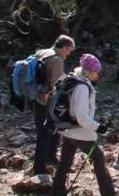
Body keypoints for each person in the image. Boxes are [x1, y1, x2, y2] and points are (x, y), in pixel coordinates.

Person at [51, 54, 114, 196]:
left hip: (67, 130)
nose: (98, 74)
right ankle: (108, 193)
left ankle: (56, 191)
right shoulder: (83, 87)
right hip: (80, 133)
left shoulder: (74, 79)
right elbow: (81, 117)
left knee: (65, 163)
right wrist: (99, 127)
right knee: (98, 158)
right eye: (96, 71)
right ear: (89, 71)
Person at [32, 35, 75, 185]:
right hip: (47, 102)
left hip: (36, 98)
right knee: (44, 135)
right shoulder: (57, 60)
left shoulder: (41, 52)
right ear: (63, 46)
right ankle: (39, 169)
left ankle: (50, 157)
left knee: (52, 130)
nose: (69, 53)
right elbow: (56, 86)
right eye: (69, 50)